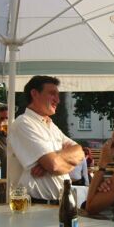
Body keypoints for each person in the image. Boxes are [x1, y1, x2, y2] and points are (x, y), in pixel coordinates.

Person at [8, 76, 84, 204]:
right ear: (35, 94)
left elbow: (80, 153)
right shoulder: (23, 123)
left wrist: (55, 158)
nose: (58, 100)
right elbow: (54, 165)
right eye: (52, 94)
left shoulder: (51, 126)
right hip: (35, 205)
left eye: (58, 95)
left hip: (60, 202)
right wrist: (58, 161)